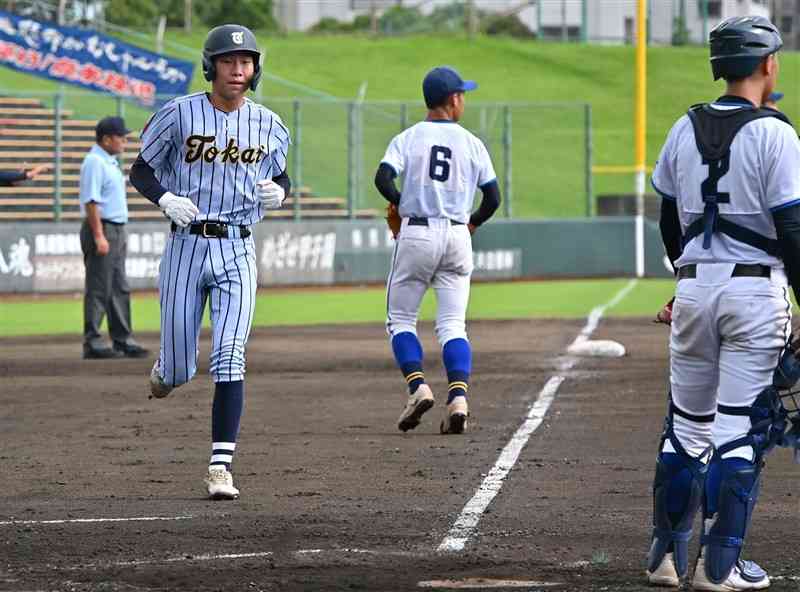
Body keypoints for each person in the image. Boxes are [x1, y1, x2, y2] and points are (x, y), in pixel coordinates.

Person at [646, 16, 800, 591]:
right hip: (756, 292)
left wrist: (684, 277)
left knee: (685, 429)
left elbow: (668, 218)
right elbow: (791, 226)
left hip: (695, 286)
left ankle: (664, 557)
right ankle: (720, 565)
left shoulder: (683, 128)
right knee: (739, 428)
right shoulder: (776, 133)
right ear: (766, 65)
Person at [129, 24, 290, 500]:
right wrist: (164, 200)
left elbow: (281, 175)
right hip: (186, 245)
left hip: (238, 246)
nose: (238, 70)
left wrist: (283, 191)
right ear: (211, 66)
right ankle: (166, 373)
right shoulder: (179, 114)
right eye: (229, 61)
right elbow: (141, 168)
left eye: (246, 62)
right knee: (181, 369)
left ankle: (220, 467)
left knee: (229, 355)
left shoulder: (270, 124)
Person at [374, 66, 500, 435]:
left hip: (418, 233)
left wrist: (403, 201)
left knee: (400, 320)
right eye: (463, 95)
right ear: (453, 99)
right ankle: (458, 398)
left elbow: (383, 178)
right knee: (452, 325)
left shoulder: (409, 138)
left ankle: (418, 387)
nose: (464, 101)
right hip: (458, 236)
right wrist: (471, 223)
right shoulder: (473, 143)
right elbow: (493, 198)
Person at [79, 116, 149, 360]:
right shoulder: (94, 162)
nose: (124, 141)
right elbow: (91, 202)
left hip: (116, 229)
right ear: (106, 139)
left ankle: (122, 339)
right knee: (99, 287)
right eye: (121, 137)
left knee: (119, 287)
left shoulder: (107, 161)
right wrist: (99, 235)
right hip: (103, 228)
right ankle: (93, 341)